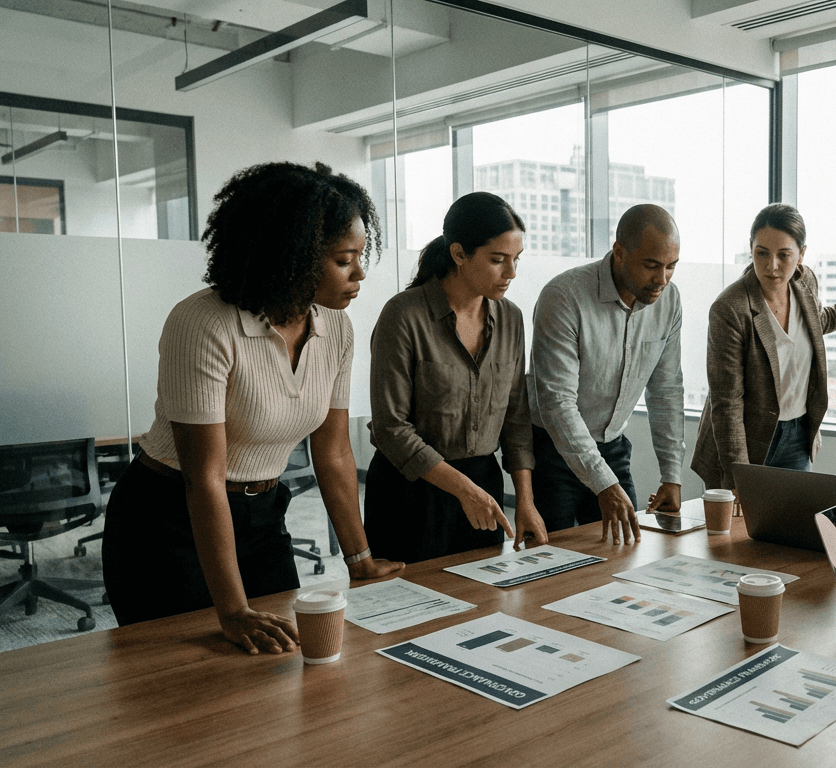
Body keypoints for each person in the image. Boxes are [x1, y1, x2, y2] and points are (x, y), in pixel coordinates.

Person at [102, 161, 403, 654]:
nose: (360, 273)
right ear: (295, 255)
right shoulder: (203, 323)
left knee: (284, 663)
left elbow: (333, 454)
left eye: (360, 256)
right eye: (344, 259)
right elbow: (205, 477)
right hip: (167, 520)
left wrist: (360, 558)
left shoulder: (335, 329)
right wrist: (234, 610)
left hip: (262, 515)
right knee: (173, 687)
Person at [365, 192, 548, 563]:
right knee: (411, 613)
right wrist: (465, 490)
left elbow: (516, 418)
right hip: (411, 489)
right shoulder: (404, 315)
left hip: (483, 486)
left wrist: (524, 502)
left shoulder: (510, 318)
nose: (511, 273)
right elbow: (390, 428)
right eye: (497, 260)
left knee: (480, 608)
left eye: (516, 260)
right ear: (459, 254)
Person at [692, 203, 836, 496]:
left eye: (784, 255)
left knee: (793, 530)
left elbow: (819, 321)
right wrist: (737, 478)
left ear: (801, 254)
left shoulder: (806, 281)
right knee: (741, 535)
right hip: (744, 442)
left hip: (797, 436)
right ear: (751, 249)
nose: (771, 266)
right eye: (761, 253)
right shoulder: (730, 308)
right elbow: (727, 404)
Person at [528, 204, 684, 544]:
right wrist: (604, 484)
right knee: (553, 562)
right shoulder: (564, 297)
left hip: (612, 446)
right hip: (553, 451)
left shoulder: (669, 301)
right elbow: (557, 404)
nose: (662, 279)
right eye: (651, 265)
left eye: (671, 267)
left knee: (626, 551)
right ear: (619, 252)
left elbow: (666, 391)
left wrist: (671, 475)